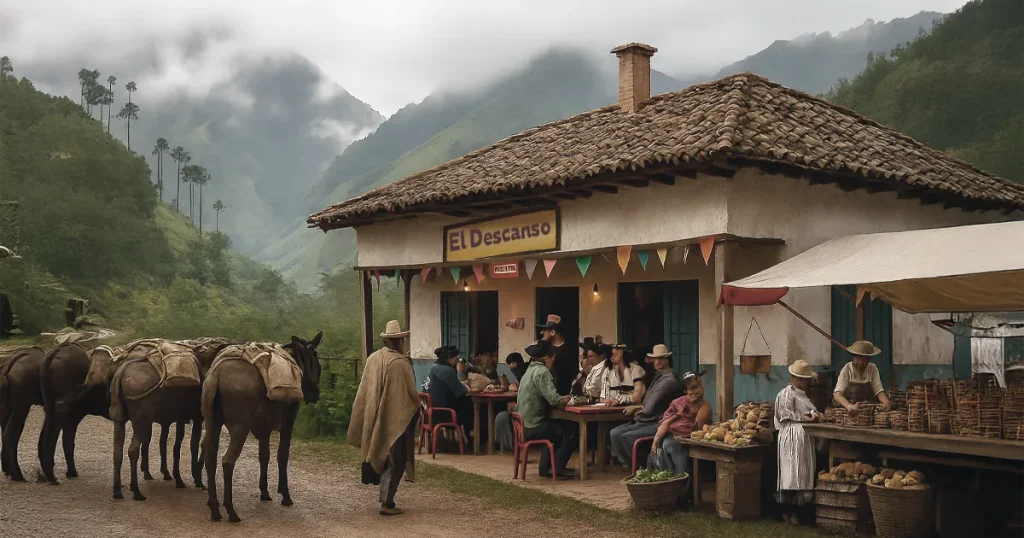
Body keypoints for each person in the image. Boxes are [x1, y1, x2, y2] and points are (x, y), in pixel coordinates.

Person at [348, 320, 419, 516]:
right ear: (399, 341)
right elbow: (408, 395)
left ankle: (385, 497)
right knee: (396, 458)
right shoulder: (400, 364)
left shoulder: (374, 358)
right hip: (394, 418)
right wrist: (415, 407)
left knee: (384, 453)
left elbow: (365, 390)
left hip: (373, 414)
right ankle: (387, 502)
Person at [609, 344, 683, 469]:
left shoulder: (668, 380)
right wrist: (638, 409)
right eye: (655, 359)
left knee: (627, 436)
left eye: (661, 359)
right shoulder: (659, 376)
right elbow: (648, 403)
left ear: (667, 360)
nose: (657, 362)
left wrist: (637, 411)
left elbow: (650, 407)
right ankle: (633, 464)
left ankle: (643, 465)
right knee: (615, 433)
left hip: (659, 422)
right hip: (647, 419)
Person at [516, 340, 576, 479]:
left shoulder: (529, 371)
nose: (554, 360)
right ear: (545, 358)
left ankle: (546, 468)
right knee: (569, 432)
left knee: (554, 430)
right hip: (533, 425)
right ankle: (557, 469)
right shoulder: (542, 372)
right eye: (552, 357)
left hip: (523, 425)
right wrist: (567, 398)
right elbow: (554, 400)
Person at [775, 359, 822, 526]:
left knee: (802, 475)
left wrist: (817, 415)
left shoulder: (803, 396)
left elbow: (809, 410)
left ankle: (799, 511)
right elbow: (783, 415)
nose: (808, 382)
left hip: (803, 438)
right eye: (806, 379)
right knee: (791, 475)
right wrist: (804, 418)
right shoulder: (786, 393)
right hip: (791, 437)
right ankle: (786, 510)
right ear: (797, 379)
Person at [649, 371, 712, 475]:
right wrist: (656, 441)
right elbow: (664, 423)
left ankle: (681, 477)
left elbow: (698, 427)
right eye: (690, 389)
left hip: (688, 440)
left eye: (696, 387)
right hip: (669, 435)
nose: (693, 392)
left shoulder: (705, 406)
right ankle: (673, 478)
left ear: (701, 386)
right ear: (685, 390)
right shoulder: (677, 403)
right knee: (666, 446)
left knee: (671, 445)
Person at [423, 345, 473, 438]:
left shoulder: (433, 367)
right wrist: (467, 387)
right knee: (470, 404)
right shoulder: (447, 371)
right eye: (455, 357)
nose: (456, 359)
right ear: (449, 358)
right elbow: (461, 392)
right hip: (443, 414)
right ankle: (471, 438)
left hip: (428, 413)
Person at [833, 340, 892, 414]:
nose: (863, 362)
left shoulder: (872, 368)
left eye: (866, 359)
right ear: (854, 357)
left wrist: (886, 402)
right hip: (849, 408)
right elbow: (838, 395)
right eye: (859, 358)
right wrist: (849, 406)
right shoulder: (847, 369)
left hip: (867, 409)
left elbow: (879, 391)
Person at [493, 353, 527, 452]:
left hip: (525, 409)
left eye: (511, 364)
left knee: (503, 414)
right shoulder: (520, 372)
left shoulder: (524, 372)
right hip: (520, 404)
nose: (510, 367)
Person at [538, 314, 578, 396]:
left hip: (563, 392)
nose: (542, 332)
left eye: (546, 330)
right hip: (544, 392)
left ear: (553, 332)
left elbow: (573, 372)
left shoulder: (570, 349)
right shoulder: (544, 348)